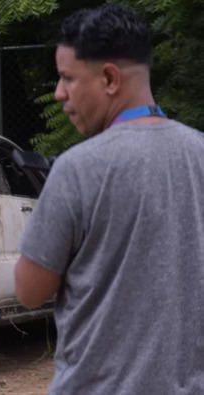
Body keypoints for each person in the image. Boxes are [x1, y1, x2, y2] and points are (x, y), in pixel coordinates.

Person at [15, 4, 204, 394]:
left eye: (67, 78)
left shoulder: (77, 170)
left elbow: (29, 291)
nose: (59, 93)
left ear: (109, 79)